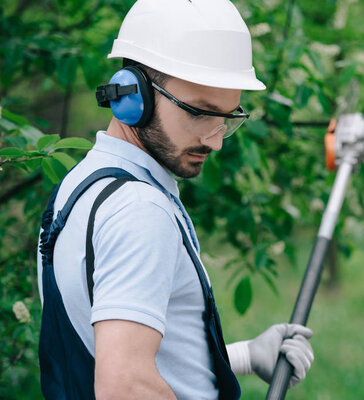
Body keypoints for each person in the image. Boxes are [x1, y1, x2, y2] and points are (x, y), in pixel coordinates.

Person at [36, 0, 314, 399]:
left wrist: (244, 356)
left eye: (227, 118)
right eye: (200, 113)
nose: (215, 140)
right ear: (132, 95)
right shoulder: (139, 211)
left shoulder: (79, 187)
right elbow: (124, 386)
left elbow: (106, 356)